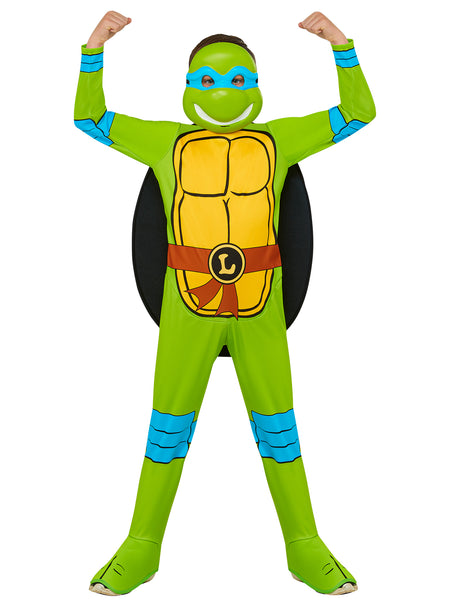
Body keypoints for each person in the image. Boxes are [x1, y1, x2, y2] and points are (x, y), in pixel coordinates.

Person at [75, 10, 375, 596]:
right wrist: (93, 49)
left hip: (261, 307)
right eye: (208, 80)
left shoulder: (279, 139)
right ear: (188, 86)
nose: (223, 91)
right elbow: (89, 119)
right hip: (186, 307)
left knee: (279, 428)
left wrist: (340, 45)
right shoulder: (165, 141)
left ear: (257, 84)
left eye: (238, 79)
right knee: (167, 428)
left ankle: (304, 543)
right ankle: (142, 544)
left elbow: (358, 113)